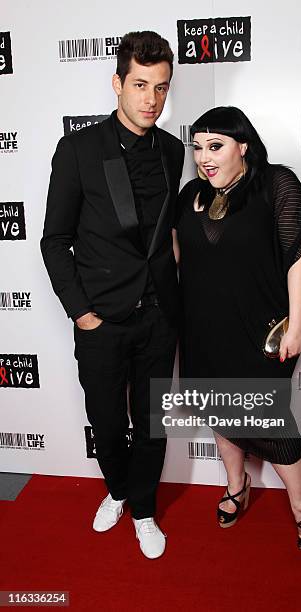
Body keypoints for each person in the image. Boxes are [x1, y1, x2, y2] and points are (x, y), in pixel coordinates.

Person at [41, 31, 184, 559]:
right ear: (117, 83)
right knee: (106, 420)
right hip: (101, 317)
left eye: (162, 88)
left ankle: (143, 508)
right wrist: (81, 313)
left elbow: (166, 235)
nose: (152, 99)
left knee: (150, 422)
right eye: (141, 85)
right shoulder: (79, 149)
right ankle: (118, 489)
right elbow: (55, 240)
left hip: (159, 315)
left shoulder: (172, 151)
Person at [173, 106, 301, 552]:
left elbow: (297, 264)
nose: (204, 157)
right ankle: (236, 485)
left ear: (242, 145)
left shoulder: (275, 185)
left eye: (216, 146)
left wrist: (298, 327)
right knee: (218, 412)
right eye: (198, 147)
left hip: (261, 331)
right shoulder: (190, 195)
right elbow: (176, 260)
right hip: (203, 329)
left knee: (269, 422)